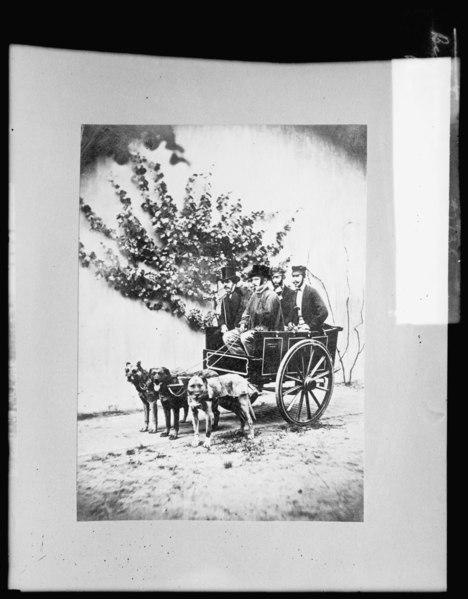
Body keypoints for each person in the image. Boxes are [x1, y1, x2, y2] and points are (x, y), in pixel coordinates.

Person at [223, 264, 283, 356]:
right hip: (253, 330)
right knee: (228, 337)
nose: (253, 282)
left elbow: (267, 317)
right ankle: (243, 361)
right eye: (252, 280)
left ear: (265, 280)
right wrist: (243, 322)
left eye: (256, 279)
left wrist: (251, 323)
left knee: (245, 337)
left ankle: (254, 364)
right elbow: (247, 311)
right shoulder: (254, 295)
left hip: (268, 332)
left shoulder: (272, 296)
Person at [290, 265, 328, 332]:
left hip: (311, 332)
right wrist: (290, 323)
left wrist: (309, 326)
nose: (294, 280)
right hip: (298, 330)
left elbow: (324, 312)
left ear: (304, 277)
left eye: (297, 276)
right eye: (293, 276)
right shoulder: (295, 293)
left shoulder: (311, 292)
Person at [217, 266, 244, 336]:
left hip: (239, 330)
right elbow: (222, 315)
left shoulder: (242, 296)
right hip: (228, 331)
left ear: (235, 283)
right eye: (223, 282)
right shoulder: (224, 298)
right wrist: (223, 325)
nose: (225, 285)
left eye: (228, 282)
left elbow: (242, 315)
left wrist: (235, 329)